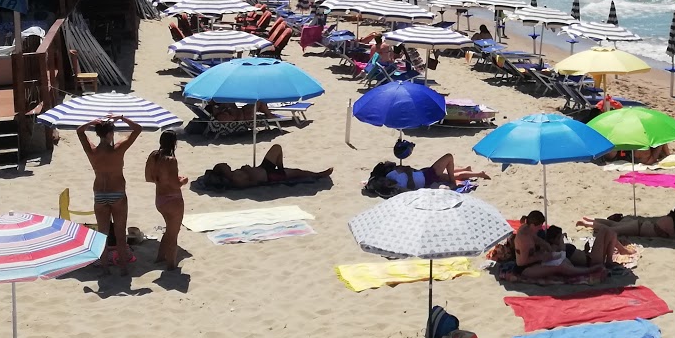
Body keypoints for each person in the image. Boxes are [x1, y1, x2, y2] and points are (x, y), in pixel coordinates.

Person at [77, 116, 143, 270]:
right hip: (117, 193)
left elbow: (79, 131)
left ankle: (105, 268)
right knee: (120, 234)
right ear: (110, 134)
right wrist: (122, 118)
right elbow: (137, 129)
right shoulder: (118, 149)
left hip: (100, 193)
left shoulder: (92, 151)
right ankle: (123, 269)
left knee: (103, 234)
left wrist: (90, 122)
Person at [144, 130, 188, 269]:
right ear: (174, 143)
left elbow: (148, 178)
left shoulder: (153, 156)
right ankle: (171, 265)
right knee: (173, 233)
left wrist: (164, 180)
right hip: (173, 199)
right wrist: (183, 181)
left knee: (169, 229)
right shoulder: (171, 160)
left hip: (160, 199)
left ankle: (160, 257)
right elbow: (175, 184)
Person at [362, 153, 490, 196]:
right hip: (428, 178)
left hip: (424, 172)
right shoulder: (396, 189)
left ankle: (477, 173)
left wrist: (409, 174)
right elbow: (411, 189)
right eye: (385, 184)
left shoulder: (391, 175)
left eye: (384, 180)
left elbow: (406, 168)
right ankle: (457, 179)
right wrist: (409, 176)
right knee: (448, 157)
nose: (386, 182)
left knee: (447, 172)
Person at [210, 144, 333, 189]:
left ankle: (281, 169)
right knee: (298, 172)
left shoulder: (234, 173)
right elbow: (253, 183)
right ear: (223, 172)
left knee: (277, 147)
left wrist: (246, 169)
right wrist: (247, 171)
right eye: (224, 165)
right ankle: (319, 175)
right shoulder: (235, 180)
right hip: (268, 176)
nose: (226, 164)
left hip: (262, 168)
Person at [597, 204, 675, 240]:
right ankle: (586, 223)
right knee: (611, 229)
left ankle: (588, 221)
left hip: (639, 226)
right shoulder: (670, 222)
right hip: (637, 228)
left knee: (612, 224)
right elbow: (674, 237)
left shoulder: (672, 220)